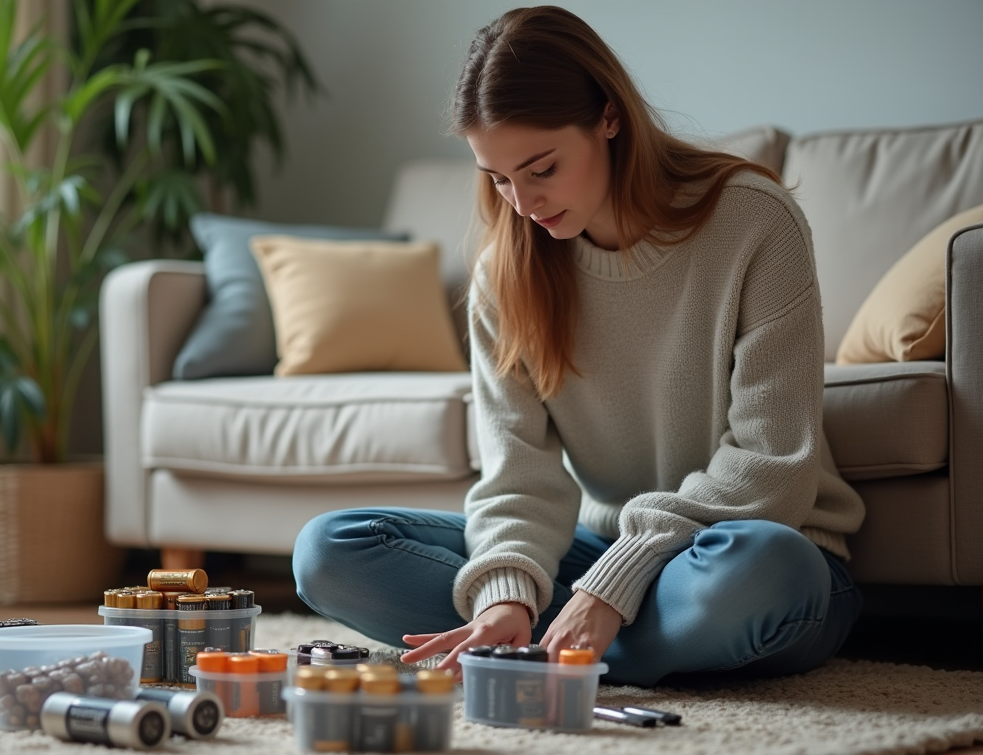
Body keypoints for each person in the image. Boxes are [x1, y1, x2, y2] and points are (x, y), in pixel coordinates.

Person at [291, 5, 865, 687]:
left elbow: (773, 468)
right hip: (603, 552)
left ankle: (550, 650)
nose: (522, 203)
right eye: (498, 179)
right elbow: (517, 478)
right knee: (328, 549)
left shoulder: (751, 221)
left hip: (740, 549)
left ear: (609, 117)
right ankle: (574, 640)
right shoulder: (505, 275)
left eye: (541, 169)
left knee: (769, 567)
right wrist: (507, 588)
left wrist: (610, 587)